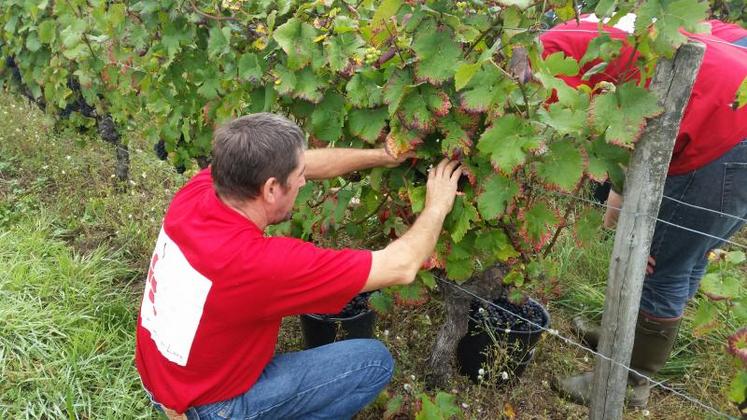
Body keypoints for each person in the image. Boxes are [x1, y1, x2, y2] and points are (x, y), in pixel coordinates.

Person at [135, 113, 463, 419]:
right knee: (372, 363)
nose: (305, 181)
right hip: (212, 407)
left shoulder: (199, 192)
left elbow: (305, 164)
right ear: (271, 189)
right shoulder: (259, 264)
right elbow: (402, 266)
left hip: (163, 379)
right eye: (297, 178)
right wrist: (438, 204)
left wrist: (382, 156)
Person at [539, 15, 747, 408]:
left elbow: (592, 134)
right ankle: (625, 334)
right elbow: (738, 38)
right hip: (734, 112)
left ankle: (629, 380)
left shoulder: (543, 60)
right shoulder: (599, 22)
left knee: (663, 262)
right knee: (691, 250)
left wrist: (617, 200)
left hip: (721, 137)